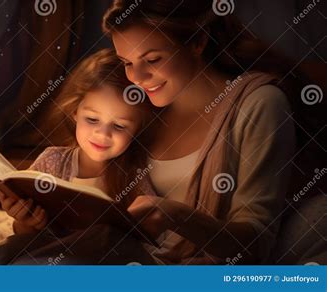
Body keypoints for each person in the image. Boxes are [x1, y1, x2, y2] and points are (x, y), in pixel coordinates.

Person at [101, 0, 301, 264]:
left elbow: (255, 245)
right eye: (126, 62)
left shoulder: (259, 105)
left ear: (198, 42)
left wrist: (178, 217)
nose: (136, 77)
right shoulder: (140, 109)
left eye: (152, 59)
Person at [0, 48, 157, 235]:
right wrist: (24, 220)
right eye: (92, 119)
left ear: (137, 129)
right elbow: (22, 234)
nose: (103, 134)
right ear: (74, 112)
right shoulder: (52, 162)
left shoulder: (135, 176)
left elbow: (152, 233)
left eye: (119, 126)